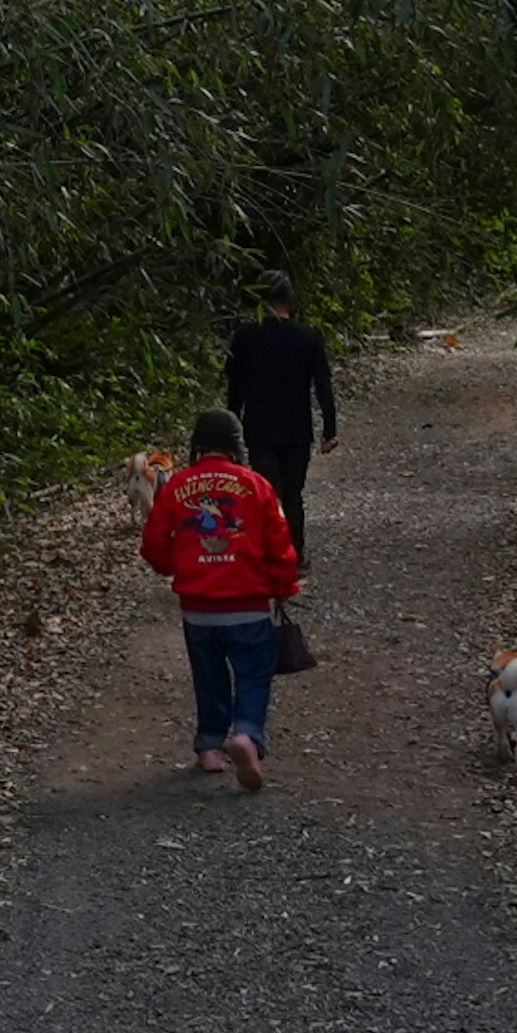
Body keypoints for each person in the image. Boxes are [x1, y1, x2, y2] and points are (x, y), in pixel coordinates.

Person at [138, 408, 301, 790]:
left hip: (198, 611)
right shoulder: (257, 485)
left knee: (208, 677)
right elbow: (280, 545)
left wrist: (173, 567)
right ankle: (245, 734)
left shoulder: (177, 486)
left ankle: (209, 746)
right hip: (247, 607)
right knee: (253, 675)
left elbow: (154, 545)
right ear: (235, 445)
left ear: (198, 445)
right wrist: (284, 587)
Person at [223, 269, 340, 571]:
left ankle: (267, 555)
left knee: (266, 494)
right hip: (296, 429)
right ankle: (295, 554)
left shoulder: (245, 337)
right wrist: (330, 429)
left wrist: (231, 429)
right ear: (290, 298)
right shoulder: (308, 336)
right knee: (292, 493)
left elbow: (235, 388)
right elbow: (322, 385)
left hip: (259, 428)